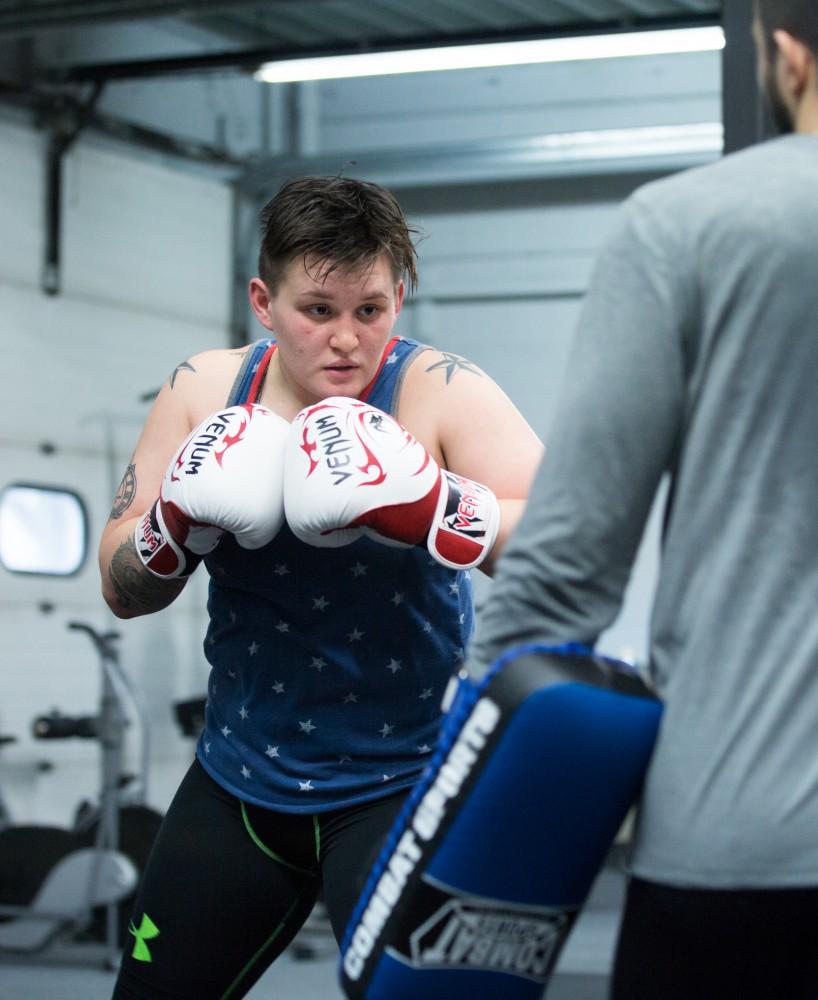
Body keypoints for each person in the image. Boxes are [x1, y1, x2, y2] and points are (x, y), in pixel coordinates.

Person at [98, 174, 543, 998]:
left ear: (398, 300)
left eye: (368, 311)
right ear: (264, 302)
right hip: (237, 782)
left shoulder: (441, 392)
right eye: (318, 310)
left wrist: (437, 507)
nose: (345, 340)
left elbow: (568, 540)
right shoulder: (203, 388)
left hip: (401, 786)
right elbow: (121, 586)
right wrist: (169, 527)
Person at [466, 2, 818, 998]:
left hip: (745, 847)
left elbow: (563, 572)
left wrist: (452, 818)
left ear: (787, 58)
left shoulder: (686, 226)